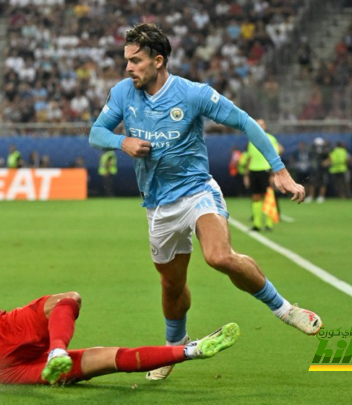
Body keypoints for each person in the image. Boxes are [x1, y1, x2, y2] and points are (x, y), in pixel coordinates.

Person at [89, 23, 322, 382]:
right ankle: (174, 346)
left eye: (135, 61)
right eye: (127, 61)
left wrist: (279, 170)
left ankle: (284, 309)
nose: (128, 68)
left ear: (158, 60)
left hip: (197, 191)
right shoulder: (123, 94)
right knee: (172, 285)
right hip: (157, 205)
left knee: (219, 256)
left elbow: (245, 122)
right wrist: (122, 143)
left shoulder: (194, 94)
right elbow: (95, 133)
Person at [0, 264, 240, 385]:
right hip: (0, 338)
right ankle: (57, 351)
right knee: (68, 298)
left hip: (7, 373)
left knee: (107, 358)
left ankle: (190, 350)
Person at [246, 119, 282, 231]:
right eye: (258, 125)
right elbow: (250, 157)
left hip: (265, 170)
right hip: (253, 170)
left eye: (262, 125)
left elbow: (275, 156)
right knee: (255, 197)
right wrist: (246, 174)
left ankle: (269, 223)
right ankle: (257, 224)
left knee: (268, 196)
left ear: (265, 126)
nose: (260, 127)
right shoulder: (251, 140)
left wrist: (273, 174)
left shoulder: (271, 139)